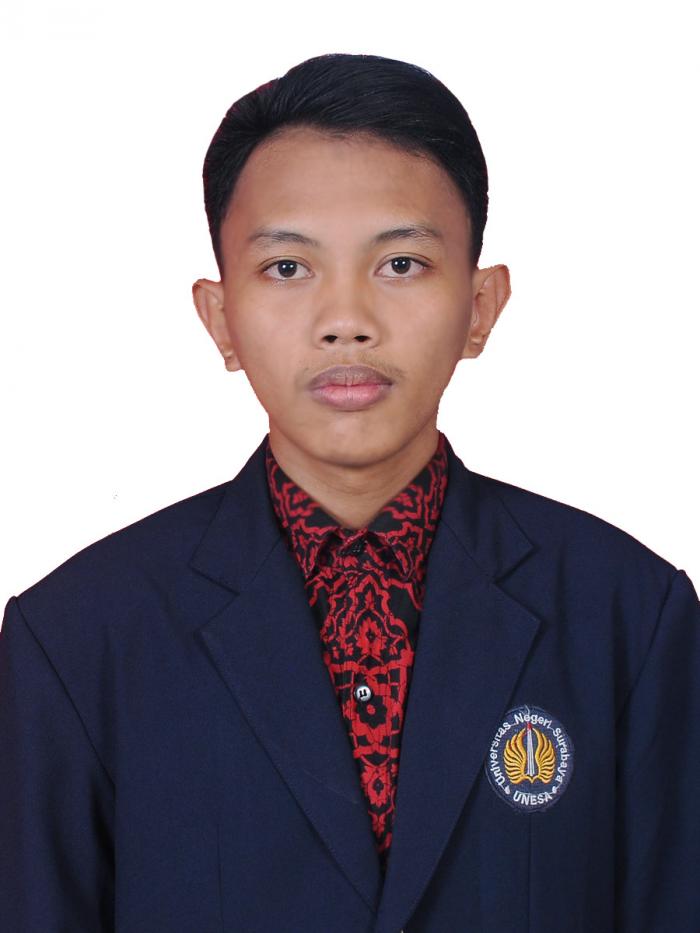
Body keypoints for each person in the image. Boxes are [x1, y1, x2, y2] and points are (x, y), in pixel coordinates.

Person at [1, 51, 698, 933]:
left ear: (481, 305)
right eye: (288, 268)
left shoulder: (629, 617)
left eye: (401, 263)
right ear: (220, 317)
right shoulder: (76, 640)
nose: (346, 320)